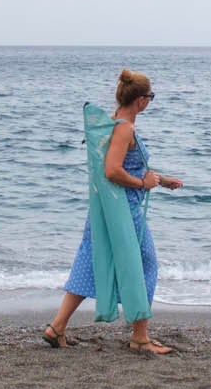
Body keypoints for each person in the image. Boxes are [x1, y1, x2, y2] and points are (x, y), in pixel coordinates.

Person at [43, 69, 183, 354]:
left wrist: (160, 180)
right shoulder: (124, 128)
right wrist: (142, 184)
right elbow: (112, 171)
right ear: (141, 100)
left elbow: (128, 166)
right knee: (145, 265)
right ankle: (140, 337)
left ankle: (56, 327)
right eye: (150, 97)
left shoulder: (112, 124)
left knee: (91, 261)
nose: (150, 102)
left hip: (105, 211)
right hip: (124, 212)